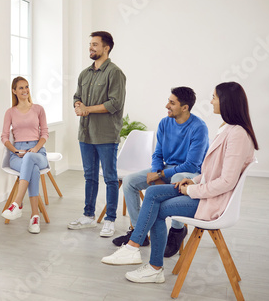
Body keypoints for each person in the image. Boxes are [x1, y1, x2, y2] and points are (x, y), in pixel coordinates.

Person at [101, 82, 258, 286]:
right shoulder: (228, 129)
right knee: (153, 193)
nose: (211, 101)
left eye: (214, 97)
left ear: (227, 101)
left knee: (155, 204)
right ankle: (140, 253)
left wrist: (191, 188)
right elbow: (212, 172)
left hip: (213, 202)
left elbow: (226, 181)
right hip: (204, 191)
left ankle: (144, 257)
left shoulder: (236, 134)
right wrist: (193, 180)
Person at [113, 87, 209, 258]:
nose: (167, 106)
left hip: (190, 173)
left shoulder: (199, 127)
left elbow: (192, 164)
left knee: (179, 178)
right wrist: (157, 171)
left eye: (172, 103)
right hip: (164, 169)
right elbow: (158, 154)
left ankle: (177, 231)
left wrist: (160, 176)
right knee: (129, 181)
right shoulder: (165, 123)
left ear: (185, 107)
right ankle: (139, 233)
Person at [68, 31, 126, 238]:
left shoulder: (115, 73)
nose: (90, 48)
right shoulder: (84, 74)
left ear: (106, 48)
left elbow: (115, 103)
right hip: (86, 133)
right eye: (90, 44)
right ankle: (88, 216)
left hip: (106, 134)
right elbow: (77, 96)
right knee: (89, 177)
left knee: (110, 178)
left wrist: (87, 109)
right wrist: (77, 105)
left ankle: (110, 219)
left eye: (95, 44)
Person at [1, 76, 49, 234]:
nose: (25, 90)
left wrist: (35, 148)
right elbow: (4, 137)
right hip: (17, 154)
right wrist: (15, 151)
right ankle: (35, 217)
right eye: (21, 88)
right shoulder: (10, 112)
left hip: (38, 152)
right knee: (33, 170)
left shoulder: (38, 109)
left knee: (30, 159)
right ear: (14, 91)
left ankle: (16, 203)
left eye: (26, 87)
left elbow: (45, 134)